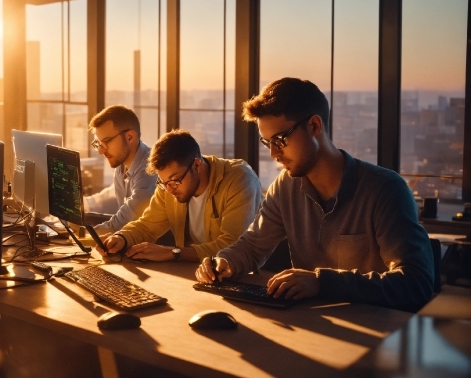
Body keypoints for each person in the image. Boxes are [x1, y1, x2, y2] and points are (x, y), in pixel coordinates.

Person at [196, 77, 434, 312]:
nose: (273, 154)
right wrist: (223, 261)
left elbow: (416, 283)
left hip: (379, 337)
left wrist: (322, 283)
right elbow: (253, 247)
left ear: (314, 126)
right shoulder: (285, 187)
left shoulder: (385, 190)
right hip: (313, 329)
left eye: (280, 140)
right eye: (267, 142)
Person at [99, 129, 262, 262]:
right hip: (190, 273)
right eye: (163, 183)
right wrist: (121, 238)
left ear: (197, 165)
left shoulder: (239, 180)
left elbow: (232, 246)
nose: (169, 190)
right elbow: (147, 226)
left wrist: (174, 253)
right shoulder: (167, 186)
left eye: (174, 181)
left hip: (240, 279)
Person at [84, 105, 156, 236]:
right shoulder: (121, 166)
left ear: (130, 137)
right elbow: (111, 196)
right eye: (97, 144)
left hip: (157, 250)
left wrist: (84, 235)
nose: (100, 151)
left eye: (106, 142)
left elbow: (124, 222)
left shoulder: (149, 169)